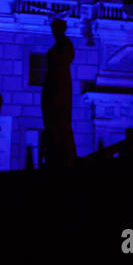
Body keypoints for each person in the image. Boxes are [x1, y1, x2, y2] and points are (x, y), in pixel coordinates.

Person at [40, 19, 76, 168]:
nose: (53, 31)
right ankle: (56, 148)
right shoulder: (60, 45)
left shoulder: (65, 44)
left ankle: (63, 153)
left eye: (55, 28)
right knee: (53, 120)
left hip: (59, 86)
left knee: (60, 120)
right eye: (53, 28)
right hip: (54, 85)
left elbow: (64, 60)